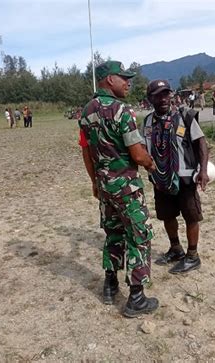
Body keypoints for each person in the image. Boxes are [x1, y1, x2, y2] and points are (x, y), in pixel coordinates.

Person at [79, 60, 159, 318]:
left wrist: (94, 182)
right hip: (126, 186)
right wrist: (150, 163)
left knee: (113, 233)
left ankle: (110, 285)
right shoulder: (122, 110)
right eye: (123, 77)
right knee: (139, 234)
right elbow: (137, 154)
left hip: (105, 186)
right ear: (109, 79)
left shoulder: (86, 111)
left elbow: (87, 152)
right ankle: (136, 297)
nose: (129, 82)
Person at [140, 79, 209, 275]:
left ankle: (193, 256)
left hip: (185, 178)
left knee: (191, 216)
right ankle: (176, 249)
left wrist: (203, 170)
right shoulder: (147, 122)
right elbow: (143, 148)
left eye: (166, 94)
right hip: (160, 179)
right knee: (167, 216)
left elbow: (202, 143)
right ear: (150, 99)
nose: (163, 98)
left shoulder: (185, 116)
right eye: (158, 95)